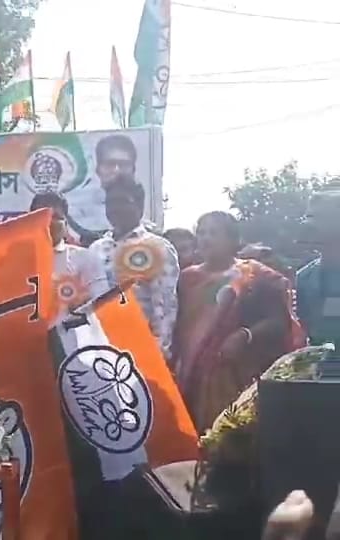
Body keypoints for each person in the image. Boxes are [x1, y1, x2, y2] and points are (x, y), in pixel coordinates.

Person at [174, 211, 303, 431]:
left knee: (226, 436)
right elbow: (179, 326)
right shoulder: (187, 278)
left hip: (233, 373)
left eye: (214, 233)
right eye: (202, 233)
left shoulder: (253, 274)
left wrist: (245, 335)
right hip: (190, 373)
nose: (206, 238)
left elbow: (278, 320)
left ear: (233, 240)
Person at [89, 175, 180, 359]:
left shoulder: (157, 247)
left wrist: (158, 351)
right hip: (101, 347)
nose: (115, 209)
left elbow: (165, 305)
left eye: (122, 202)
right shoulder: (96, 248)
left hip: (141, 348)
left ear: (140, 205)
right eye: (110, 203)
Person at [29, 192, 107, 314]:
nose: (49, 222)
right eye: (43, 216)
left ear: (66, 223)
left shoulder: (85, 258)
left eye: (56, 216)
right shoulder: (16, 261)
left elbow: (102, 302)